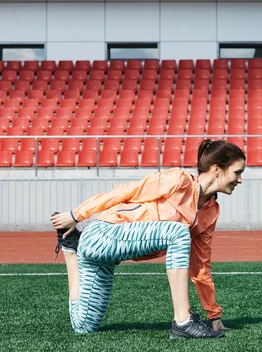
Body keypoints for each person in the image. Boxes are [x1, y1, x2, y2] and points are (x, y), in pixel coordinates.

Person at [50, 139, 246, 339]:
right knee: (178, 232)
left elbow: (201, 265)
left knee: (83, 326)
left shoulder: (210, 211)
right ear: (217, 169)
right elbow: (125, 192)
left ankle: (71, 248)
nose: (240, 180)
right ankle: (183, 321)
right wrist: (76, 214)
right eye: (237, 172)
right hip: (103, 234)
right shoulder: (178, 180)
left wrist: (214, 315)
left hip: (105, 256)